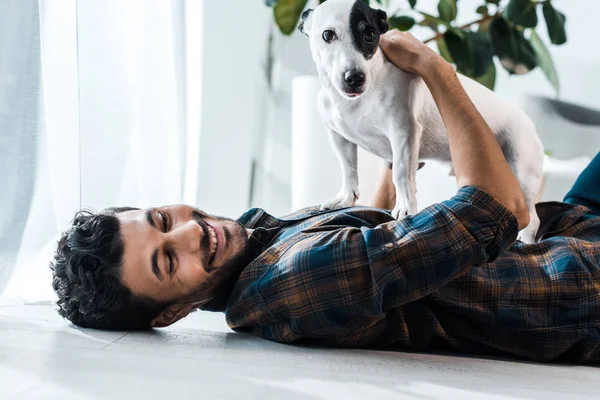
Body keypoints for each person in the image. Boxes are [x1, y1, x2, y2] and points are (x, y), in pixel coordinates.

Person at [50, 31, 600, 363]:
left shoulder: (263, 242)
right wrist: (432, 68)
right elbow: (496, 207)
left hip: (567, 230)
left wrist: (397, 126)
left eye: (161, 218)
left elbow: (380, 223)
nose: (189, 231)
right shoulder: (294, 280)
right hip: (581, 286)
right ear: (172, 313)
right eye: (169, 260)